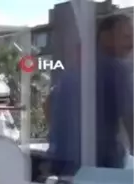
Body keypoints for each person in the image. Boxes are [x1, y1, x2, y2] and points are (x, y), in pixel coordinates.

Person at [48, 14, 134, 175]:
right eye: (126, 37)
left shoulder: (76, 69)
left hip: (62, 162)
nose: (131, 44)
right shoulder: (118, 70)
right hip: (99, 167)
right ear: (106, 37)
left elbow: (49, 104)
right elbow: (131, 118)